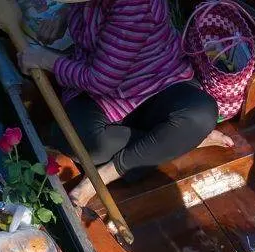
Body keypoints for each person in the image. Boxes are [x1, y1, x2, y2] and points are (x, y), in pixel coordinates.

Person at [16, 0, 233, 209]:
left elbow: (100, 80)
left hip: (156, 80)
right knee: (78, 141)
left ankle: (107, 173)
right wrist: (65, 14)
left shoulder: (135, 6)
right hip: (102, 94)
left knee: (200, 113)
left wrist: (45, 59)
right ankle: (177, 141)